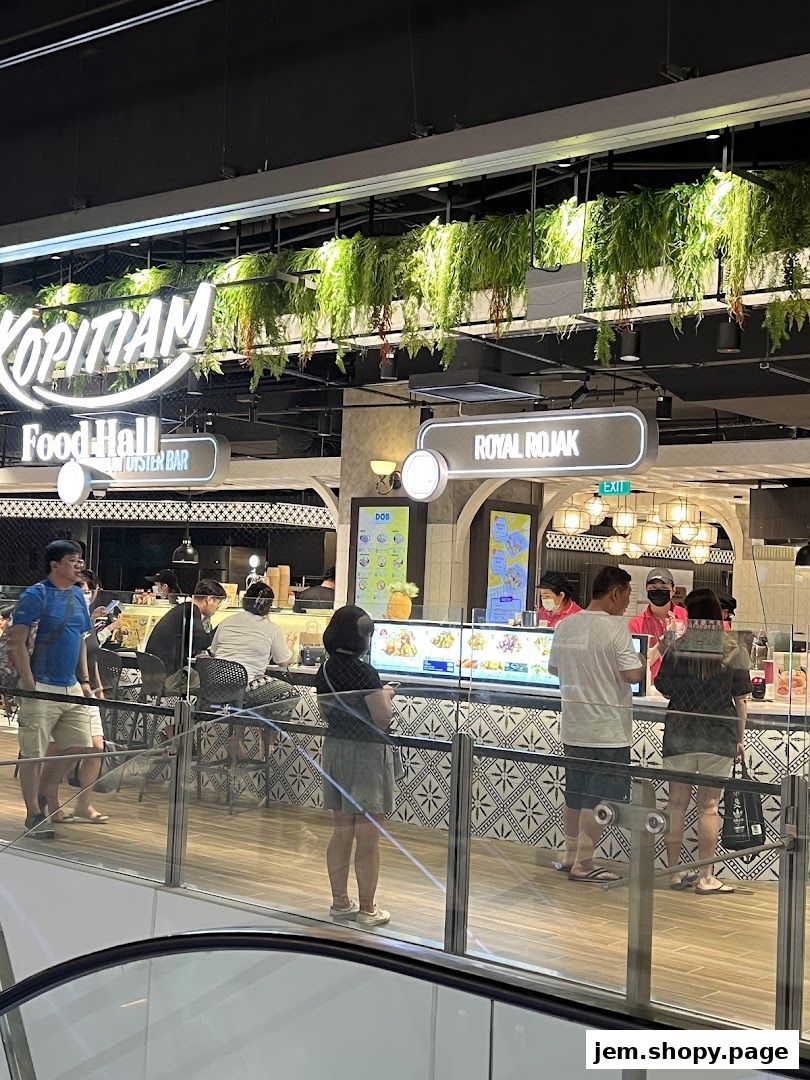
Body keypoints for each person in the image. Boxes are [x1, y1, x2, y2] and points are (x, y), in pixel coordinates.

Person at [548, 566, 645, 883]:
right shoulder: (615, 629)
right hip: (607, 731)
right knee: (601, 799)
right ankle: (585, 863)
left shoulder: (565, 626)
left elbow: (553, 669)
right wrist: (646, 660)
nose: (627, 605)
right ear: (615, 593)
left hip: (574, 727)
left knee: (575, 795)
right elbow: (632, 674)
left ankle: (569, 856)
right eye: (627, 596)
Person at [655, 589, 751, 895]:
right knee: (709, 807)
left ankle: (672, 872)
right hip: (718, 734)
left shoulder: (678, 646)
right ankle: (706, 876)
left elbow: (664, 687)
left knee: (676, 805)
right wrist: (739, 738)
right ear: (716, 613)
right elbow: (741, 700)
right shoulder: (733, 649)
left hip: (680, 732)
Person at [7, 540, 98, 837]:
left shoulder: (76, 595)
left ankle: (47, 789)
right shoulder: (36, 595)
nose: (79, 566)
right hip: (41, 683)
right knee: (33, 753)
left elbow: (81, 640)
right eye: (73, 561)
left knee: (82, 744)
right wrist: (29, 683)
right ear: (55, 565)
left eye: (80, 561)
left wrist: (84, 680)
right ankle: (34, 813)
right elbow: (16, 641)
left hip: (70, 685)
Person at [315, 605, 397, 927]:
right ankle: (367, 909)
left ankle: (339, 903)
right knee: (368, 836)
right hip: (366, 756)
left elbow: (327, 712)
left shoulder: (325, 670)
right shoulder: (366, 673)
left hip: (335, 750)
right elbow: (382, 717)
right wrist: (386, 693)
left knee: (342, 831)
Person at [209, 582, 293, 703]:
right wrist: (290, 642)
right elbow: (283, 662)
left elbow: (213, 652)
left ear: (245, 600)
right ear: (269, 606)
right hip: (248, 686)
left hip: (217, 683)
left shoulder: (225, 622)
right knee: (291, 693)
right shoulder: (272, 629)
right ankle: (264, 722)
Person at [145, 579, 227, 680]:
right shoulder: (192, 611)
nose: (218, 607)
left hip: (154, 673)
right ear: (209, 599)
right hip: (167, 676)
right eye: (218, 602)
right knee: (212, 681)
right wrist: (224, 626)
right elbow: (203, 642)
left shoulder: (184, 609)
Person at [628, 568, 688, 683]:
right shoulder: (636, 624)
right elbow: (636, 667)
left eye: (664, 588)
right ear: (646, 589)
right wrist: (665, 640)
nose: (658, 591)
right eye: (653, 588)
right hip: (649, 689)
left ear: (673, 590)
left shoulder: (686, 617)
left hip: (681, 687)